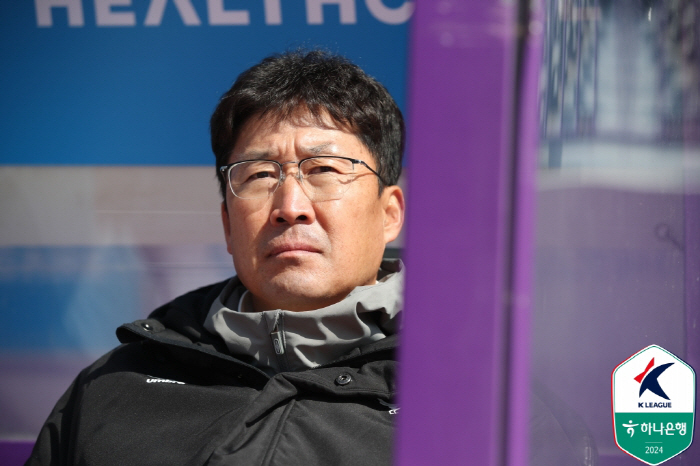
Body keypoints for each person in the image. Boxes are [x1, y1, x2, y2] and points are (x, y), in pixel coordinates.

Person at [26, 50, 406, 466]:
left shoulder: (454, 385)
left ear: (389, 214)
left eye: (324, 169)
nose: (290, 206)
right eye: (260, 174)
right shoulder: (115, 386)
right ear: (227, 224)